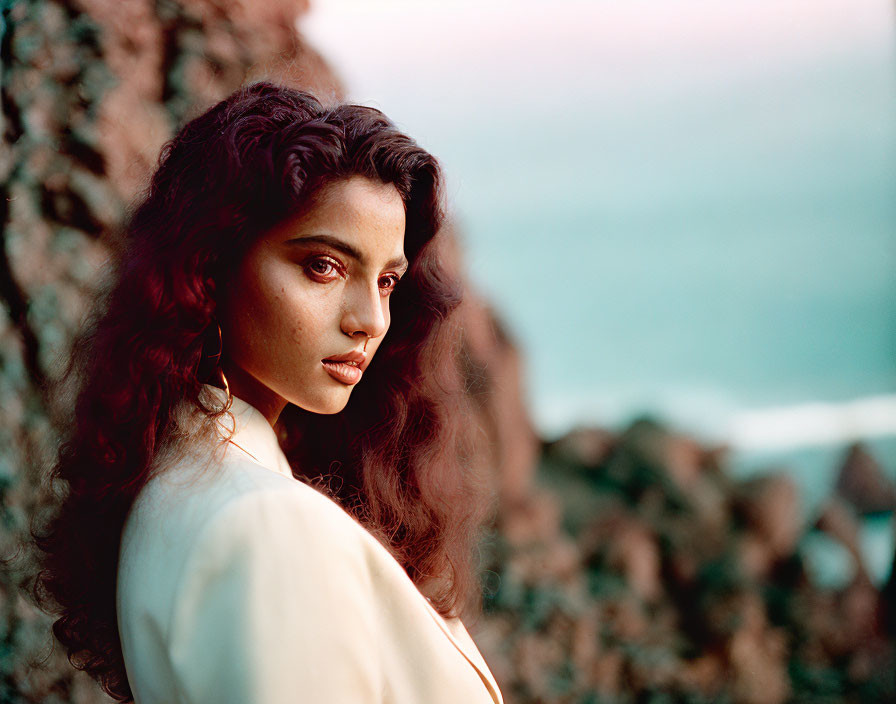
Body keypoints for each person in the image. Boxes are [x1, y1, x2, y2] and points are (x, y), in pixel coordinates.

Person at [28, 81, 503, 703]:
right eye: (323, 266)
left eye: (387, 281)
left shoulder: (186, 485)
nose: (369, 319)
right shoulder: (265, 521)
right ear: (211, 265)